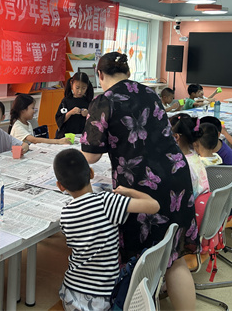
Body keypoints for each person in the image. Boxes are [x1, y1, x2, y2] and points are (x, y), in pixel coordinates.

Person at [80, 52, 198, 311]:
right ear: (128, 73)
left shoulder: (103, 100)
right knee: (173, 256)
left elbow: (90, 155)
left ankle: (137, 302)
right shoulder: (149, 93)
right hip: (176, 174)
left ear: (99, 75)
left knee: (140, 259)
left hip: (143, 186)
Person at [53, 149, 160, 311]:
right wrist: (128, 191)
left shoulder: (66, 214)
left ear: (60, 186)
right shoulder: (108, 201)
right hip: (104, 296)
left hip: (71, 295)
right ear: (91, 173)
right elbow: (154, 206)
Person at [170, 114, 210, 198]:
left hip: (191, 203)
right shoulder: (194, 155)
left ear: (176, 137)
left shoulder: (181, 164)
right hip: (202, 200)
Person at [55, 72, 94, 138]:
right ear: (71, 85)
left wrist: (88, 114)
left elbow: (96, 121)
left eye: (83, 88)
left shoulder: (89, 101)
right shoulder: (66, 101)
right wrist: (70, 113)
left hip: (83, 136)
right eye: (77, 88)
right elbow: (59, 120)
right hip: (67, 136)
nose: (80, 91)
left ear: (87, 87)